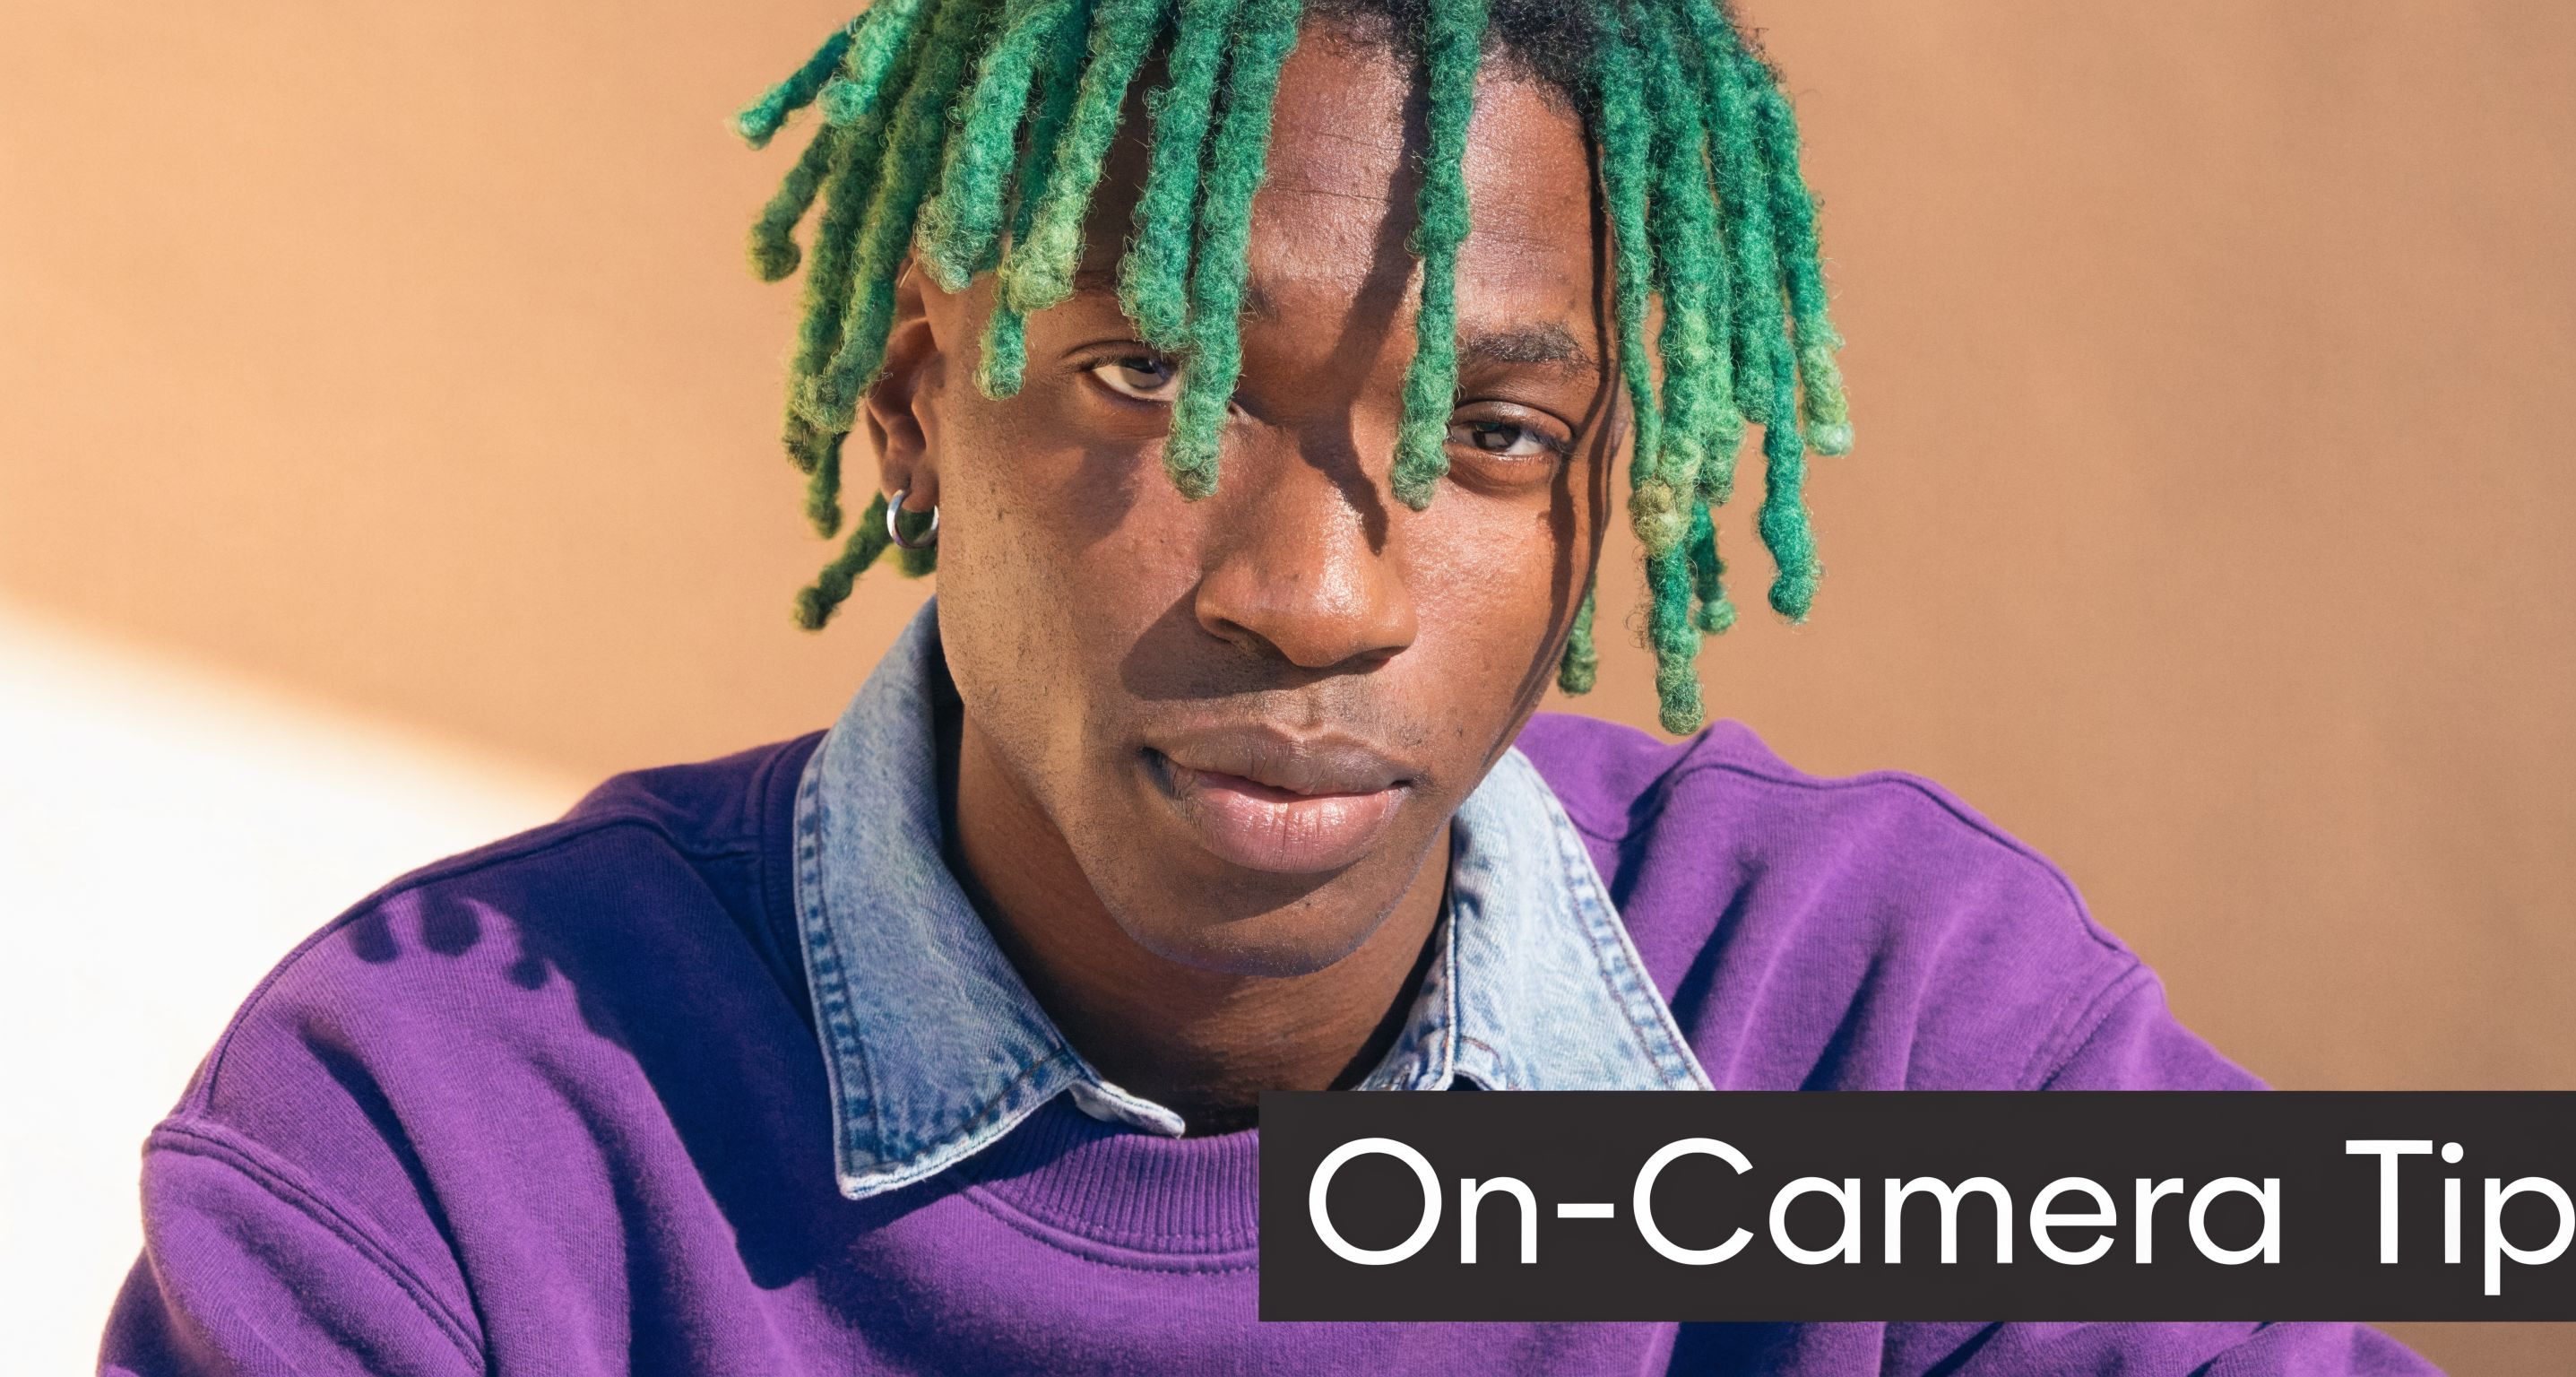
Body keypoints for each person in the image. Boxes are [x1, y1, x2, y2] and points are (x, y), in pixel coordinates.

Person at [101, 0, 2436, 1372]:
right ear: (916, 401)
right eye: (1150, 380)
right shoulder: (459, 1137)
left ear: (1594, 498)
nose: (1313, 592)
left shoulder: (1892, 1036)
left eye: (1488, 442)